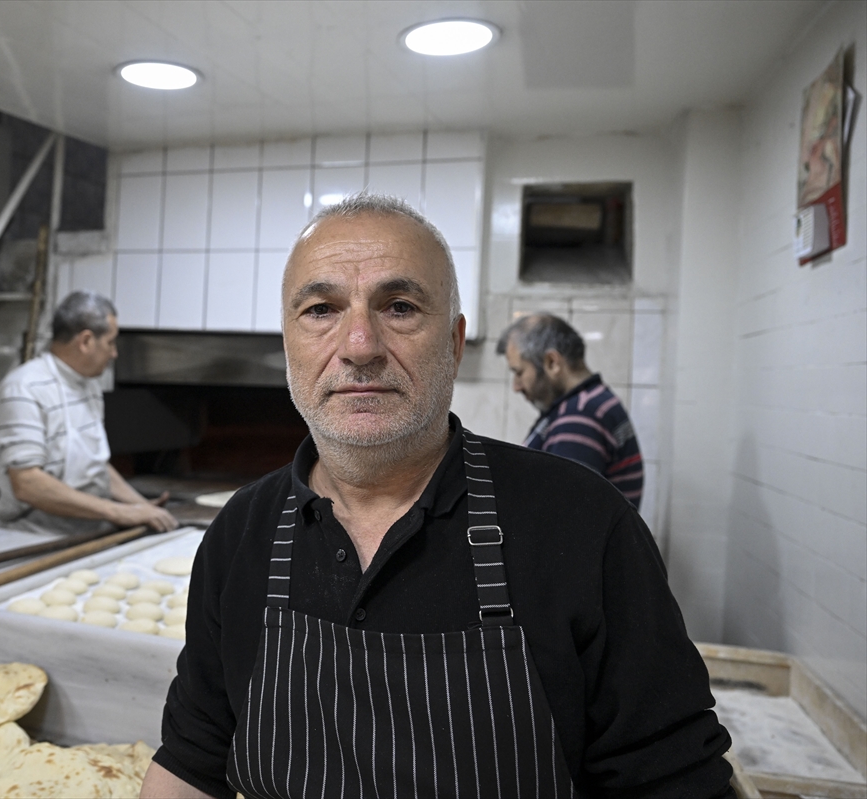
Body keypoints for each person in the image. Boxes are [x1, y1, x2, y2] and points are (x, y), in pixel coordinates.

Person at [141, 194, 732, 798]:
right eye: (321, 310)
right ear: (289, 344)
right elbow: (193, 754)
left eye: (399, 307)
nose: (360, 344)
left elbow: (673, 780)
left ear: (453, 342)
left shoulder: (583, 526)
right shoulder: (243, 531)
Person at [0, 290, 177, 539]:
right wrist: (118, 512)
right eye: (110, 342)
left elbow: (94, 465)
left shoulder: (88, 386)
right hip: (34, 539)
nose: (114, 354)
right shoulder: (23, 388)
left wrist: (138, 505)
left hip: (87, 534)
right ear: (86, 341)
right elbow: (27, 483)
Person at [497, 314, 644, 509]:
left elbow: (563, 516)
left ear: (552, 362)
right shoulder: (589, 402)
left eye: (519, 372)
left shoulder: (580, 417)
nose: (516, 386)